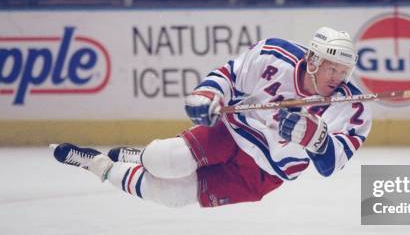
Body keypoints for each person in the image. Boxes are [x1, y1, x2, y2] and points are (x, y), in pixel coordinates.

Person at [51, 27, 372, 208]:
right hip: (234, 133)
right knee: (165, 159)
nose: (339, 77)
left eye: (345, 71)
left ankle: (100, 166)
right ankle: (143, 157)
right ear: (313, 60)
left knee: (171, 195)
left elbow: (330, 166)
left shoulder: (354, 108)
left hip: (264, 174)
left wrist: (316, 139)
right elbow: (230, 76)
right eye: (333, 67)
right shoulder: (275, 54)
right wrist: (207, 95)